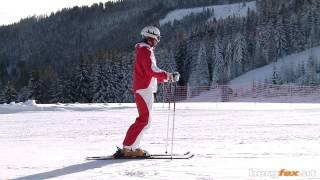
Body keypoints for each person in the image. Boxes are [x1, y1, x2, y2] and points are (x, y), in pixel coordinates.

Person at [121, 26, 179, 157]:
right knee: (144, 120)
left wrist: (165, 78)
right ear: (151, 38)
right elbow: (152, 70)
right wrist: (168, 76)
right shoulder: (145, 51)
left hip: (144, 88)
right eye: (157, 38)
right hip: (143, 90)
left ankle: (130, 146)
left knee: (145, 120)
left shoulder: (144, 50)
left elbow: (149, 73)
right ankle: (129, 148)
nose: (158, 41)